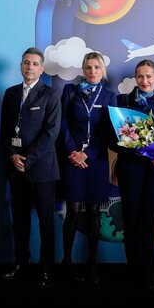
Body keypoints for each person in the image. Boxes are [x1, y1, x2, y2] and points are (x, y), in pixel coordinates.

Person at [110, 59, 154, 294]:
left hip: (153, 170)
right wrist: (130, 143)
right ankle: (133, 273)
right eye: (140, 76)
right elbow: (112, 138)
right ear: (136, 78)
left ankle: (150, 276)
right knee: (131, 219)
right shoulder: (122, 101)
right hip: (130, 167)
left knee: (148, 221)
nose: (144, 81)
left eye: (149, 76)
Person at [0, 47, 61, 288]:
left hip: (42, 169)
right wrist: (12, 155)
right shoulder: (11, 93)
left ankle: (46, 268)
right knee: (19, 221)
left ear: (42, 69)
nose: (30, 67)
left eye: (35, 64)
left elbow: (51, 133)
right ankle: (20, 264)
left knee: (46, 222)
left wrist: (27, 159)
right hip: (16, 168)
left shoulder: (51, 94)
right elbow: (5, 130)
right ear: (21, 66)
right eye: (26, 62)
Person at [57, 52, 117, 284]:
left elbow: (109, 131)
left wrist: (88, 153)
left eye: (97, 67)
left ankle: (92, 263)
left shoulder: (110, 96)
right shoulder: (70, 91)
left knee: (93, 212)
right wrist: (73, 151)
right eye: (89, 67)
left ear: (103, 71)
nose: (93, 72)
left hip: (96, 160)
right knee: (72, 211)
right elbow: (62, 123)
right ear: (83, 70)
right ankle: (67, 262)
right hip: (71, 158)